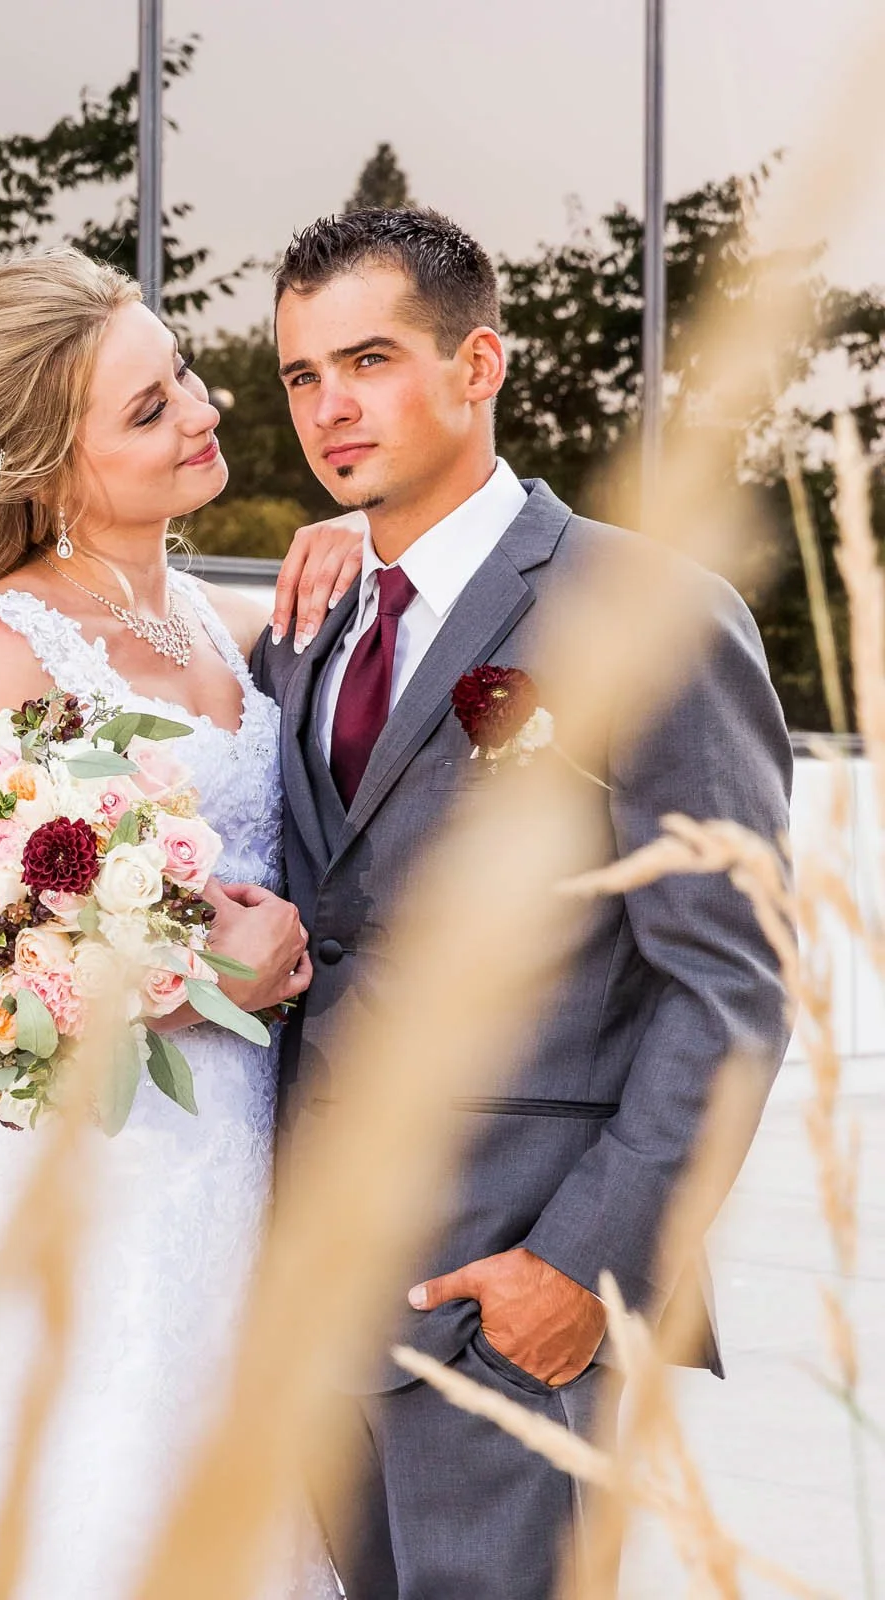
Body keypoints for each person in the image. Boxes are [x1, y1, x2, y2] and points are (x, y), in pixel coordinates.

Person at [242, 206, 792, 1598]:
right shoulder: (309, 630)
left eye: (368, 361)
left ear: (479, 365)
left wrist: (581, 1266)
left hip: (513, 1296)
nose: (330, 407)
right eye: (303, 375)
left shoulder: (649, 608)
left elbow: (729, 984)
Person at [0, 246, 360, 1599]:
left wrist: (363, 536)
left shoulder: (215, 619)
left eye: (179, 370)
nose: (200, 408)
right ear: (50, 471)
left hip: (225, 1174)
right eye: (147, 409)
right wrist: (199, 976)